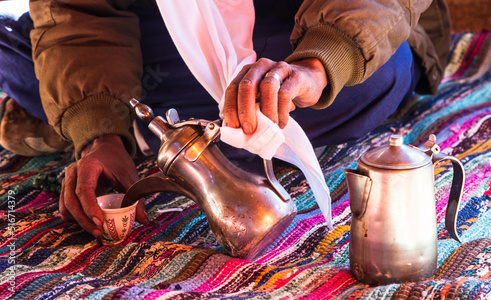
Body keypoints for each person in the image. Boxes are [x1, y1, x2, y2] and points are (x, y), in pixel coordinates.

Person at [0, 0, 451, 239]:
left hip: (300, 28)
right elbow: (78, 15)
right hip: (156, 37)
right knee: (15, 50)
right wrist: (98, 133)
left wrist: (318, 65)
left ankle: (118, 121)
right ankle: (114, 118)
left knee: (378, 75)